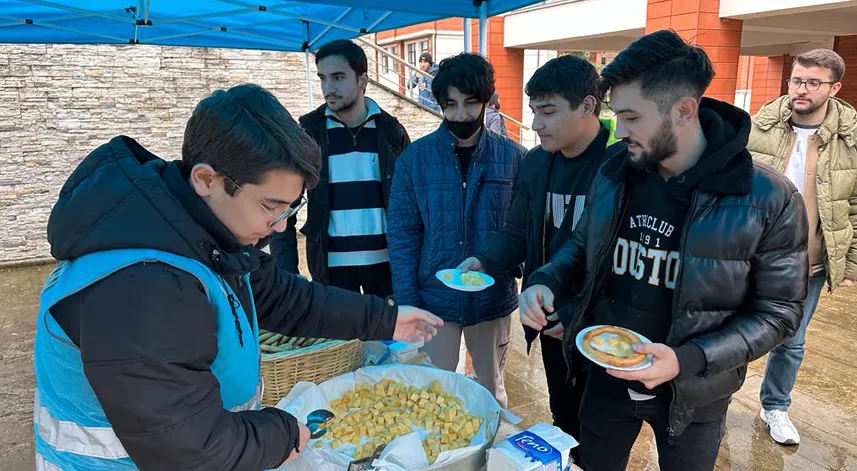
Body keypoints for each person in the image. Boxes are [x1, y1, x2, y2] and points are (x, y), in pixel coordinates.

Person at [33, 83, 442, 471]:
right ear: (207, 180)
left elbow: (284, 298)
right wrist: (282, 433)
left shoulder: (200, 233)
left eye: (289, 210)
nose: (280, 227)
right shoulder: (141, 289)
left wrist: (386, 319)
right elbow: (189, 448)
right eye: (271, 206)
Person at [518, 30, 808, 471]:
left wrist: (686, 360)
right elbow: (581, 243)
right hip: (606, 375)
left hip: (695, 392)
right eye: (618, 115)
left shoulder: (768, 198)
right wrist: (546, 279)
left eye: (632, 117)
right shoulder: (616, 171)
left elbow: (779, 312)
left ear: (684, 111)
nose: (620, 130)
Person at [456, 55, 617, 451]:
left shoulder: (621, 161)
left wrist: (582, 308)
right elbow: (517, 231)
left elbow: (624, 256)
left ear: (587, 105)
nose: (536, 123)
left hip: (605, 318)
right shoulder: (536, 162)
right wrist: (486, 260)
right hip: (547, 310)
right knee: (563, 415)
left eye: (547, 111)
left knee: (603, 429)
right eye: (533, 111)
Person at [387, 52, 526, 408]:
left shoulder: (514, 158)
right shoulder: (414, 160)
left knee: (490, 393)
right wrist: (407, 301)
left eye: (471, 103)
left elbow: (522, 227)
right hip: (433, 300)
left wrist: (517, 271)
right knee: (430, 395)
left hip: (491, 299)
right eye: (450, 104)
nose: (460, 115)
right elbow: (402, 235)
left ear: (487, 101)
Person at [748, 48, 857, 446]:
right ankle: (714, 402)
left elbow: (855, 205)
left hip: (809, 261)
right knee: (730, 330)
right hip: (750, 256)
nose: (801, 89)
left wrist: (849, 263)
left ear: (834, 87)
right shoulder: (759, 127)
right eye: (796, 80)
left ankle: (775, 406)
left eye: (813, 82)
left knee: (791, 341)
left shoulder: (851, 139)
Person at [270, 39, 410, 297]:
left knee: (385, 339)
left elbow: (411, 204)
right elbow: (282, 208)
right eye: (323, 78)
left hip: (386, 269)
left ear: (362, 80)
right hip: (331, 270)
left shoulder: (391, 132)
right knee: (340, 339)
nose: (328, 88)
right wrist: (287, 274)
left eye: (338, 77)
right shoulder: (308, 134)